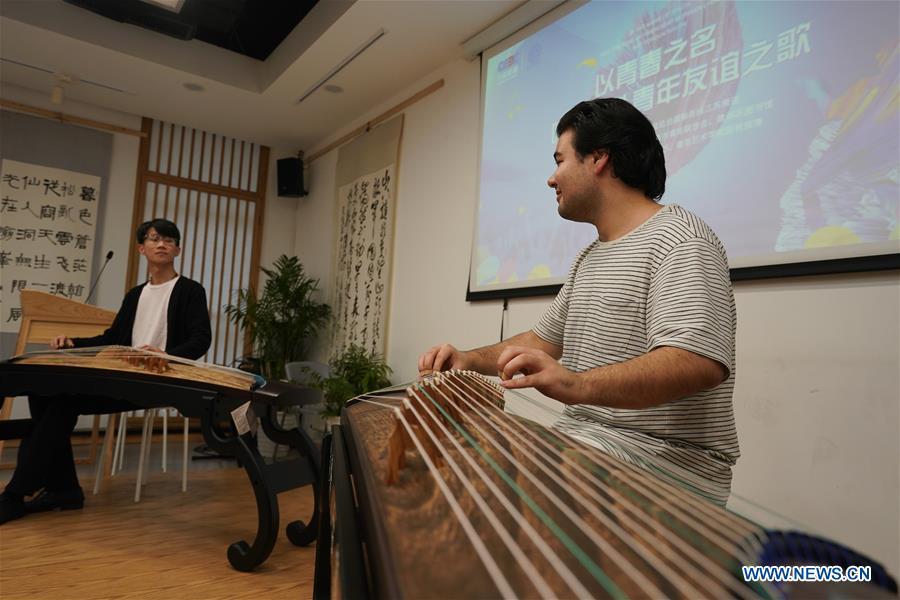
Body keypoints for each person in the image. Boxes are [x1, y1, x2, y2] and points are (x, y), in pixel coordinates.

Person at [419, 98, 738, 505]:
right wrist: (468, 359)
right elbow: (543, 341)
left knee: (481, 489)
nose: (552, 179)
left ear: (599, 158)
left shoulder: (681, 239)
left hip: (664, 466)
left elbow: (698, 361)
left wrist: (575, 384)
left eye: (560, 160)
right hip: (590, 446)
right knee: (461, 460)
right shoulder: (591, 256)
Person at [0, 218, 211, 524]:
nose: (162, 244)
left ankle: (17, 494)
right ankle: (64, 490)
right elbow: (112, 339)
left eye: (169, 239)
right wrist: (73, 342)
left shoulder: (190, 290)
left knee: (61, 401)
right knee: (44, 393)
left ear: (178, 249)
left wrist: (166, 355)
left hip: (161, 377)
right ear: (142, 248)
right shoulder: (135, 295)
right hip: (123, 375)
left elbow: (200, 339)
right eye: (154, 239)